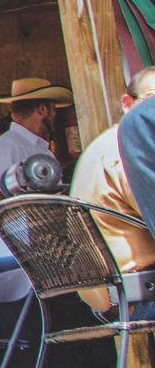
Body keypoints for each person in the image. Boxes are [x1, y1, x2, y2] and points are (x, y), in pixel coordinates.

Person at [70, 67, 155, 310]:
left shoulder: (103, 142)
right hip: (134, 297)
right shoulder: (126, 147)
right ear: (128, 103)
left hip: (107, 295)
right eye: (152, 101)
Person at [0, 78, 73, 206]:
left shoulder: (41, 149)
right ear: (42, 109)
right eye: (53, 108)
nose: (54, 113)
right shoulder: (6, 146)